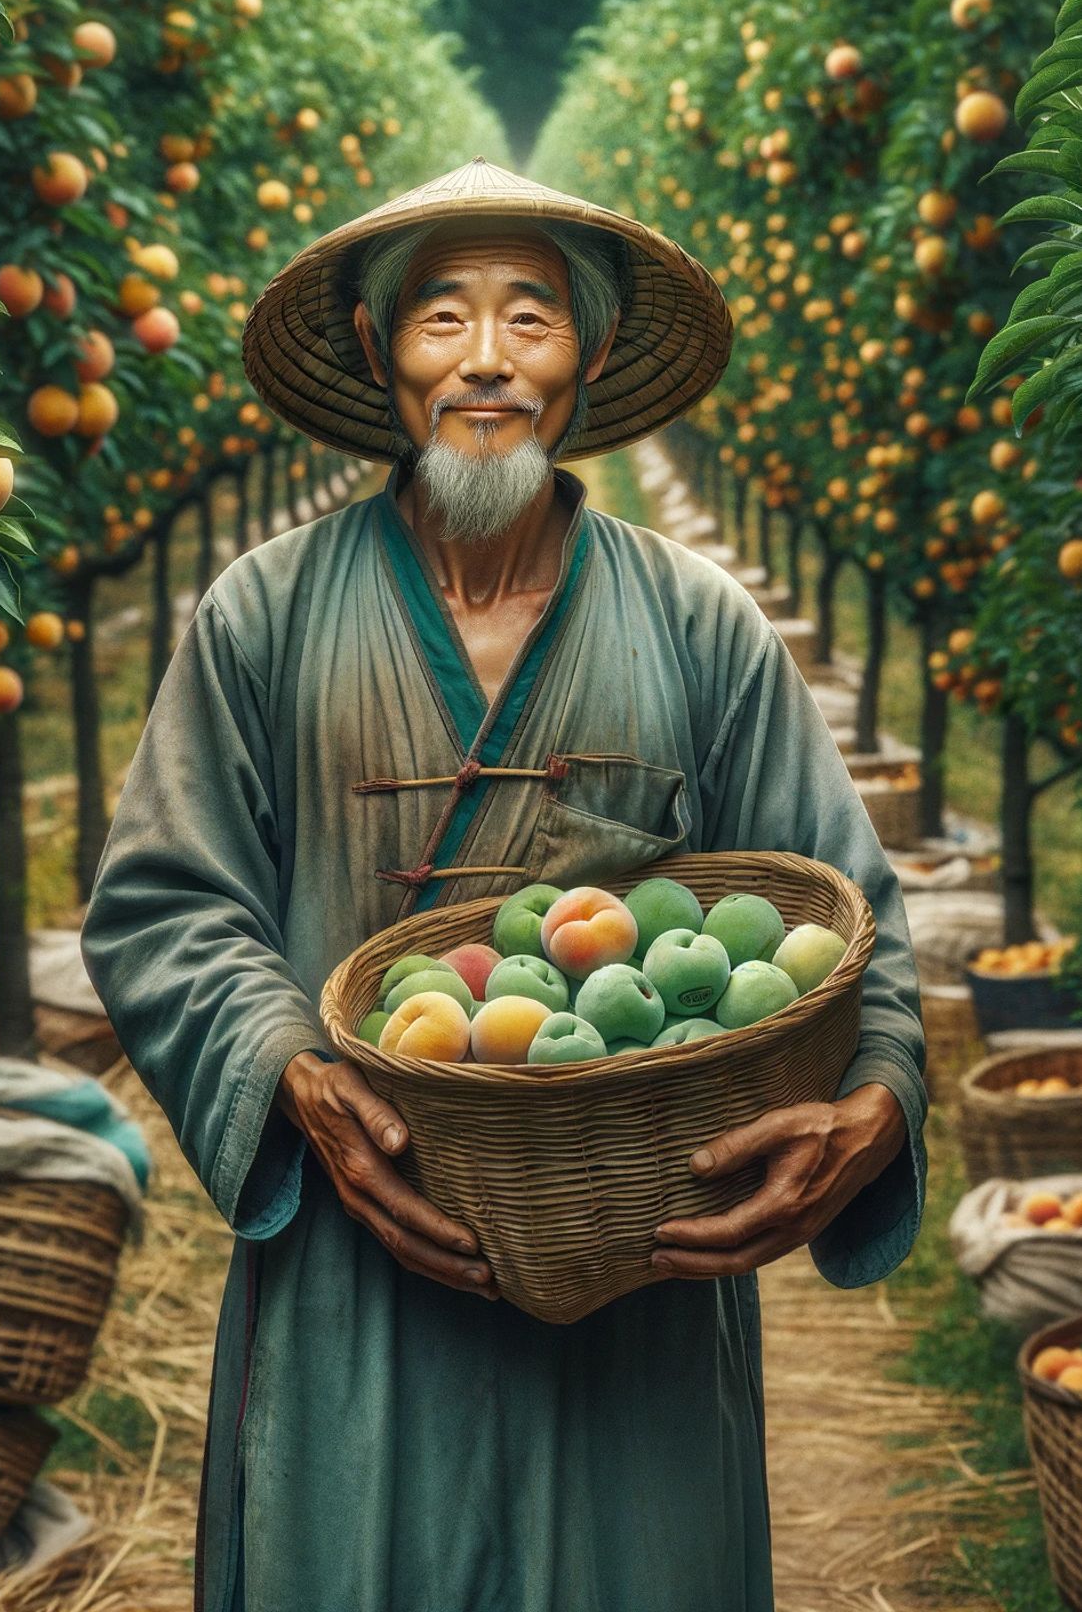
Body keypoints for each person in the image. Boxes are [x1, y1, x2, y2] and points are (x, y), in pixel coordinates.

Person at [80, 154, 927, 1612]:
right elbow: (165, 897)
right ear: (377, 351)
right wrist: (289, 1070)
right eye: (441, 319)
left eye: (531, 320)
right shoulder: (264, 613)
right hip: (363, 1271)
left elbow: (850, 910)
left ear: (589, 356)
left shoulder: (694, 620)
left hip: (637, 1272)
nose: (485, 361)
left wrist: (880, 1096)